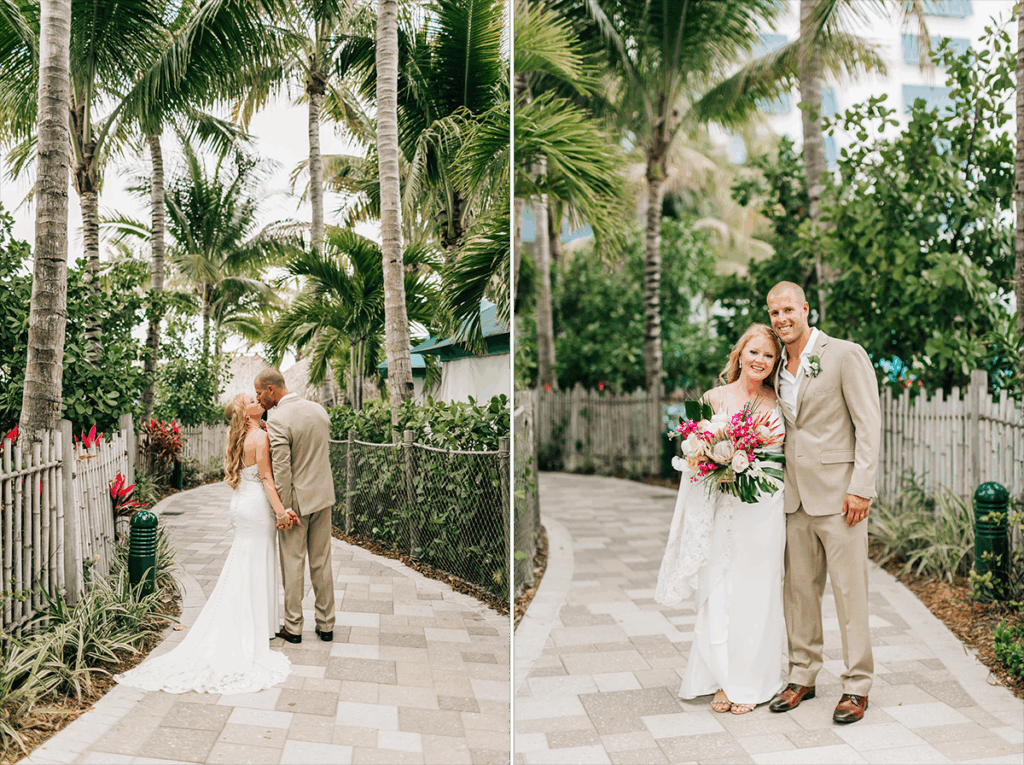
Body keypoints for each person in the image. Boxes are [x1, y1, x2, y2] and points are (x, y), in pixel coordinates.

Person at [115, 394, 291, 694]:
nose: (256, 399)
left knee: (244, 562)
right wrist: (281, 511)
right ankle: (257, 627)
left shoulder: (239, 437)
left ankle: (258, 624)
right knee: (256, 560)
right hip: (257, 507)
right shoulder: (260, 437)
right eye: (250, 399)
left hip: (240, 505)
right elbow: (267, 479)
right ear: (245, 412)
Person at [655, 323, 787, 715]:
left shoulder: (779, 401)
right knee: (722, 589)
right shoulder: (714, 398)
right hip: (723, 508)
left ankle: (751, 680)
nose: (760, 360)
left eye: (769, 355)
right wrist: (716, 461)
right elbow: (694, 454)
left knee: (758, 592)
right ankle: (722, 680)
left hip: (764, 510)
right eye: (754, 352)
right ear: (740, 354)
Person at [766, 281, 880, 725]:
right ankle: (802, 675)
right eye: (775, 312)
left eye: (788, 309)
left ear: (806, 310)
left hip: (840, 496)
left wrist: (862, 487)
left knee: (850, 594)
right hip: (793, 498)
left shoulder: (845, 354)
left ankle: (857, 685)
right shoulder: (775, 364)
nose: (781, 319)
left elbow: (868, 424)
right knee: (798, 594)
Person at [254, 367, 336, 643]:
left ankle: (294, 626)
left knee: (293, 563)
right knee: (322, 562)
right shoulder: (319, 411)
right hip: (323, 497)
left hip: (297, 504)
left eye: (259, 393)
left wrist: (284, 510)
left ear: (271, 390)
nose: (259, 400)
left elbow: (282, 469)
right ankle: (326, 625)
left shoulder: (278, 420)